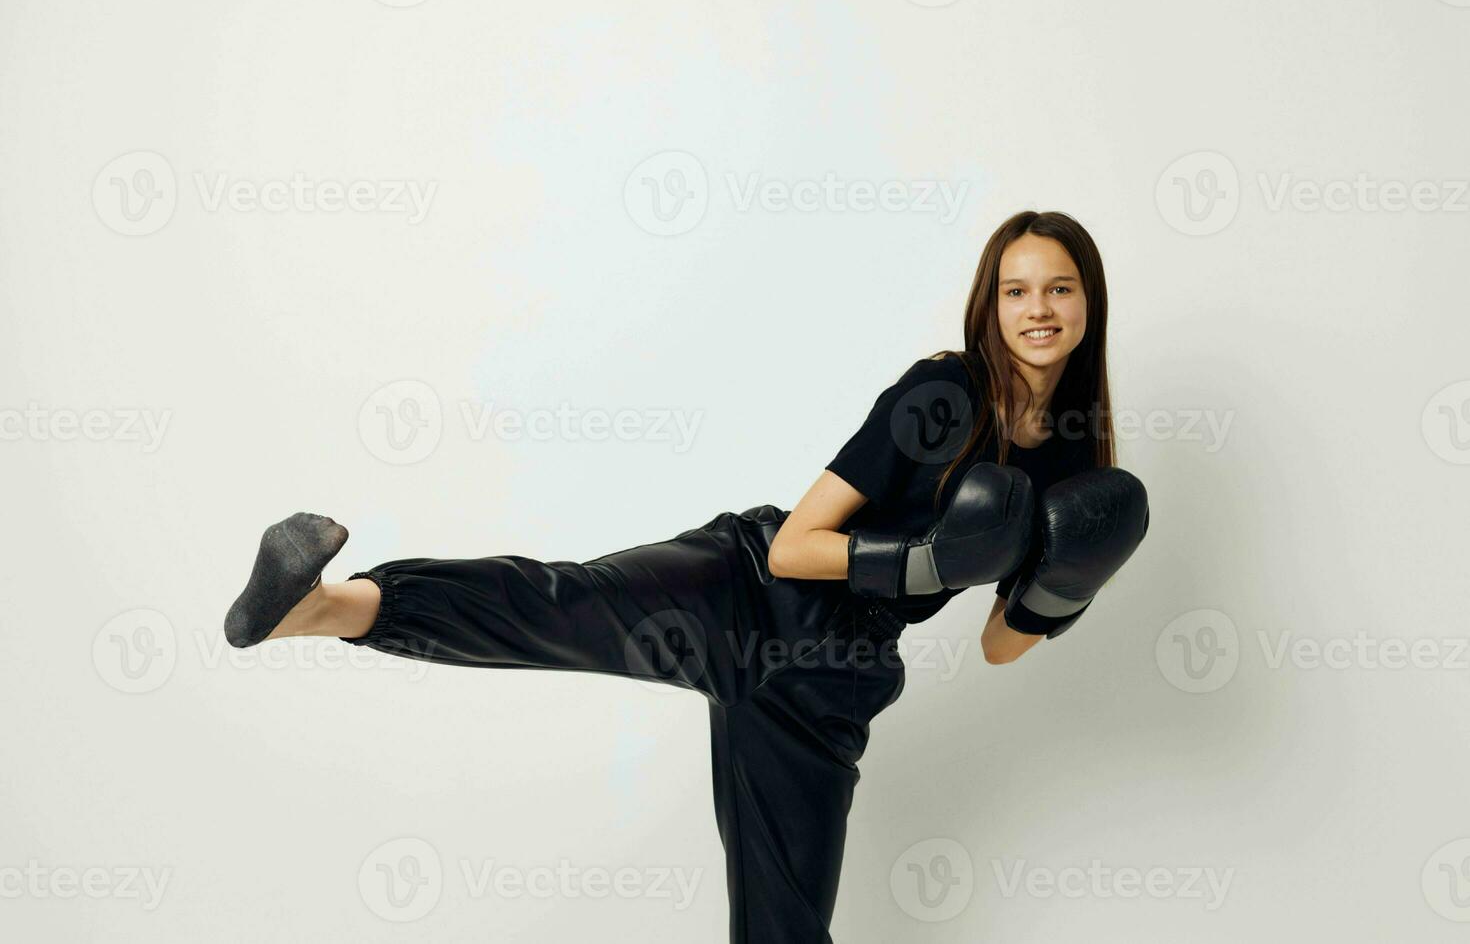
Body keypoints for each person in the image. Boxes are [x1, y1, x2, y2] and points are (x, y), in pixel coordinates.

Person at [223, 209, 1149, 943]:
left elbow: (996, 648)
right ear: (989, 304)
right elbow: (797, 543)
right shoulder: (942, 393)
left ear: (1088, 303)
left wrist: (1066, 586)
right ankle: (323, 604)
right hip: (750, 589)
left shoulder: (1068, 474)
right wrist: (931, 562)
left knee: (785, 925)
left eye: (1060, 289)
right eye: (1017, 289)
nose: (1038, 310)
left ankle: (320, 610)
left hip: (835, 680)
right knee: (563, 601)